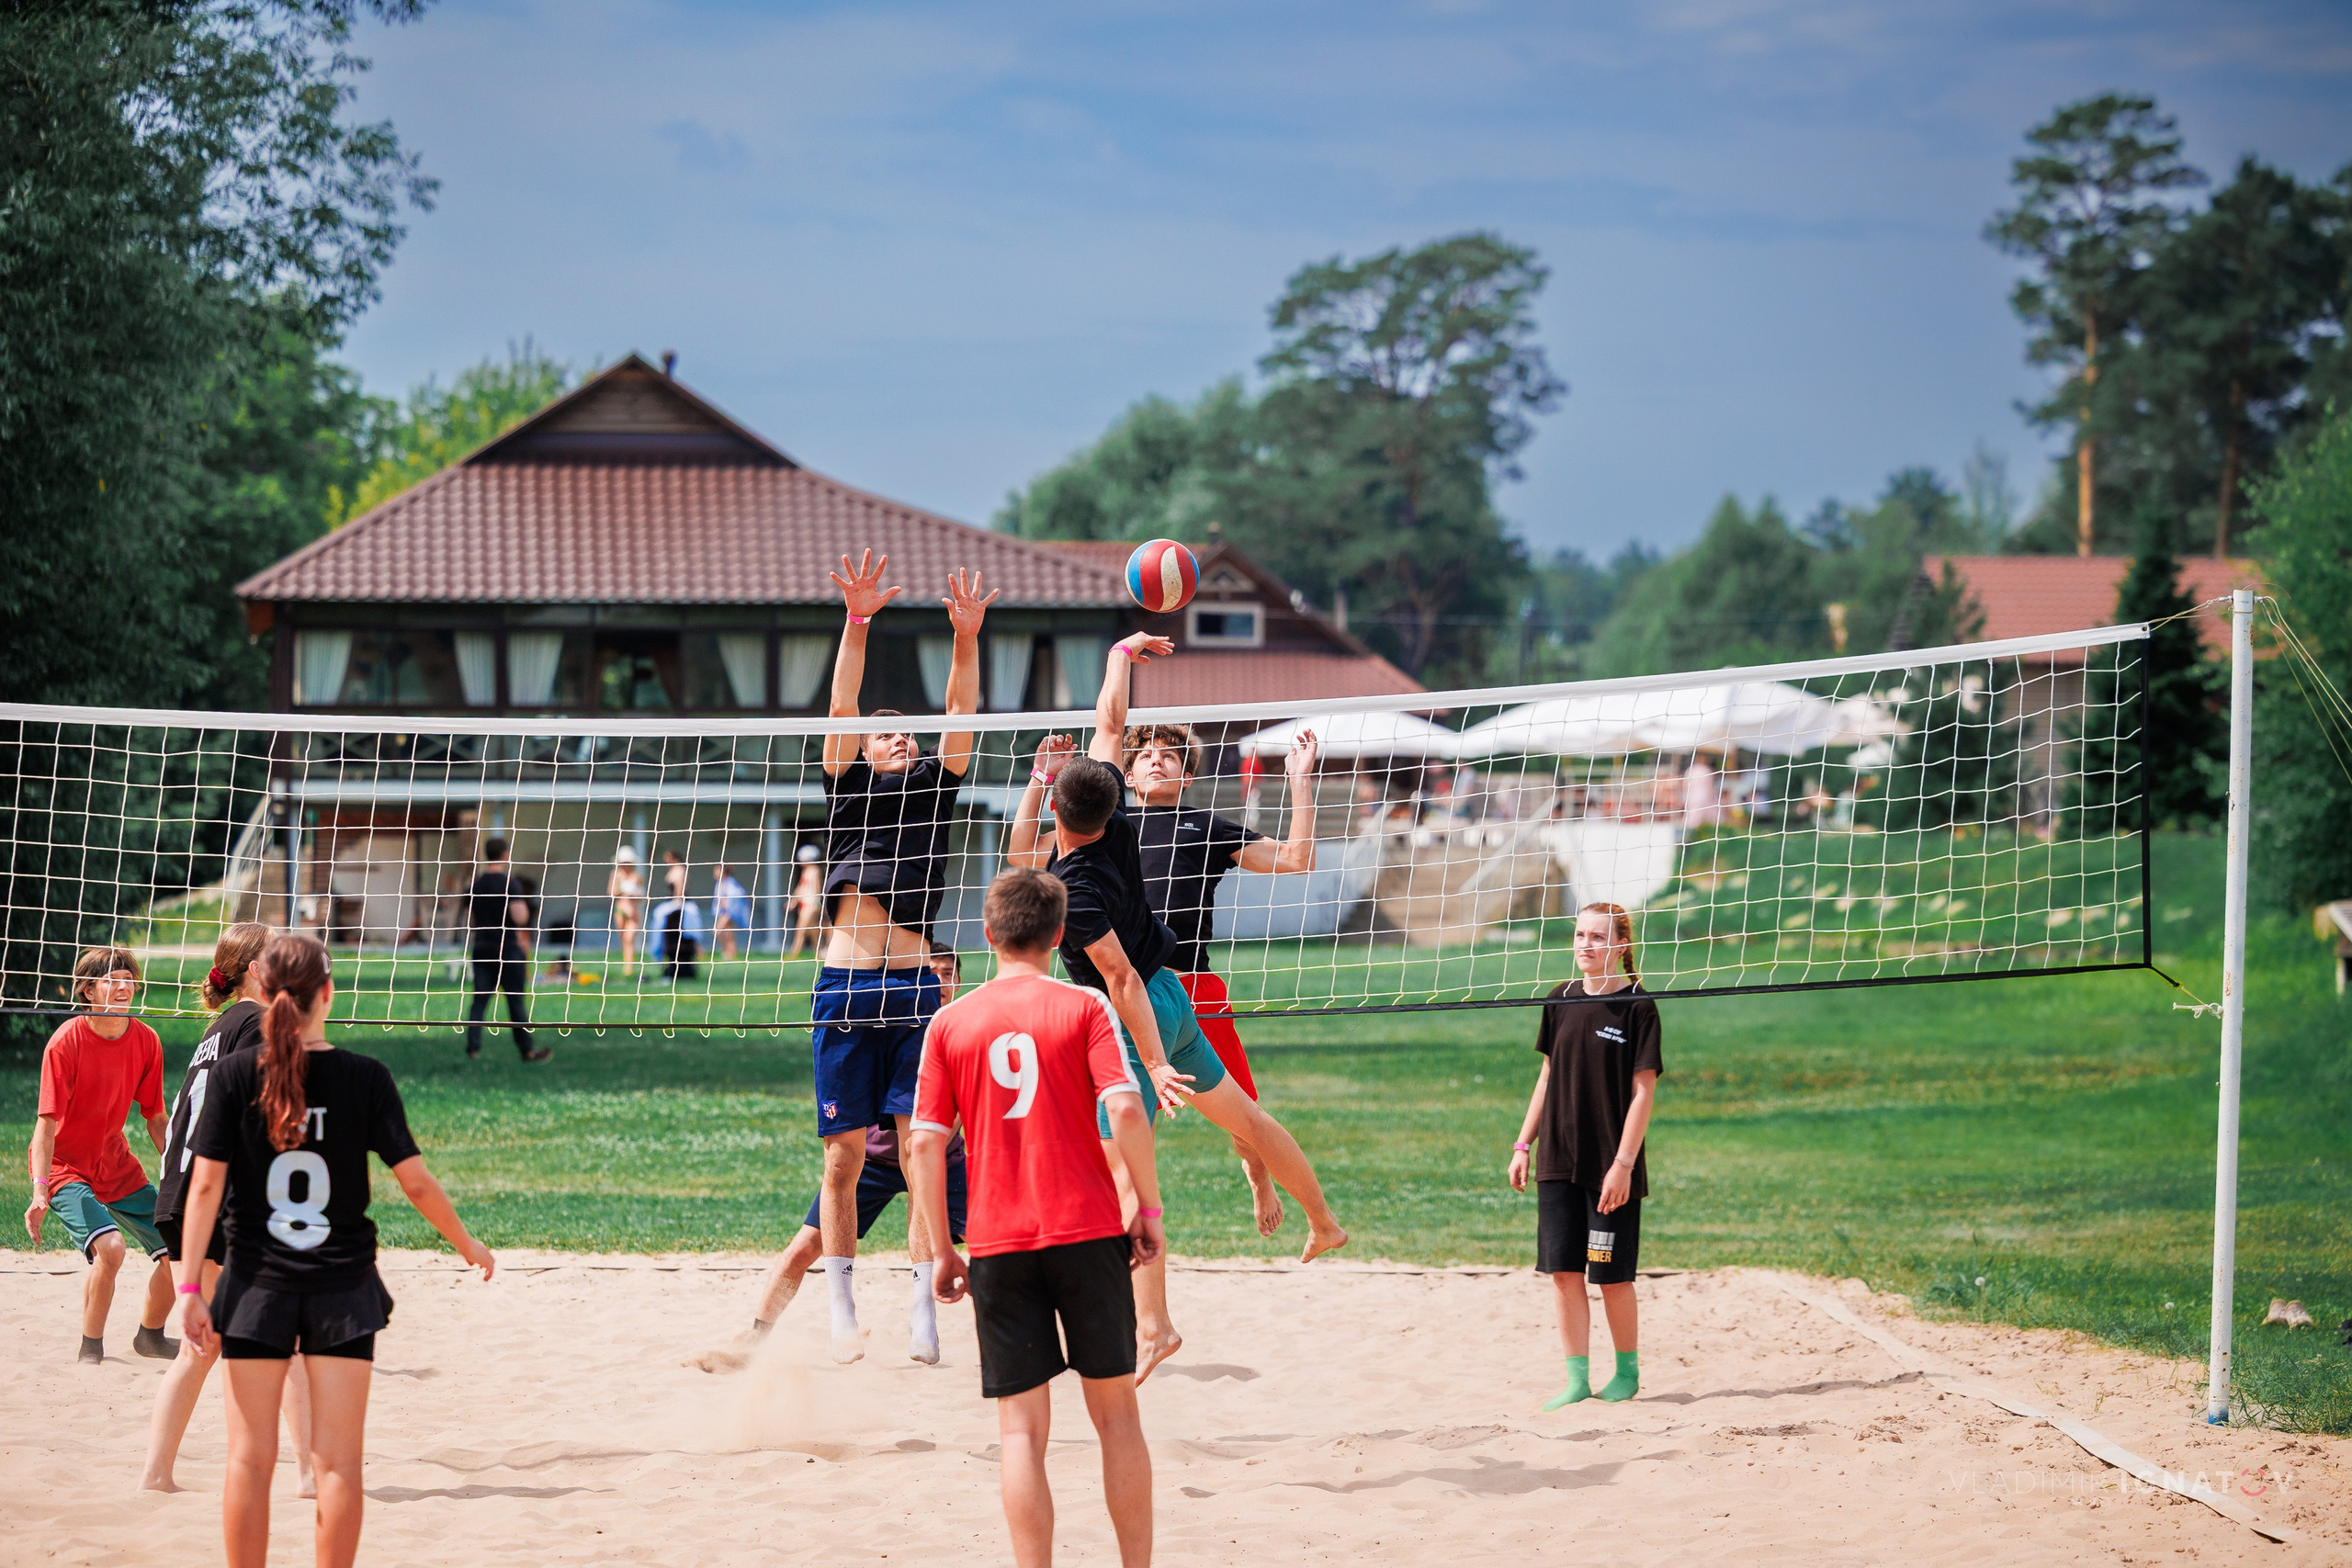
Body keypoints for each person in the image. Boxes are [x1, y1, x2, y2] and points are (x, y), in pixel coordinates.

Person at [1007, 636, 1346, 1385]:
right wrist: (1121, 655)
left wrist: (1153, 1061)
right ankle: (1324, 1220)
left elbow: (1119, 980)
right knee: (1244, 1124)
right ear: (1114, 787)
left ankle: (1155, 1327)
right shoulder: (1119, 824)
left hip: (1135, 1013)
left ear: (1060, 802)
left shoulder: (1078, 881)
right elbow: (1110, 721)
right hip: (1170, 990)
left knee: (1126, 1175)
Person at [175, 931, 494, 1568]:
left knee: (248, 1458)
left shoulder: (237, 1073)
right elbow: (416, 1182)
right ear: (328, 993)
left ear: (261, 994)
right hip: (342, 1289)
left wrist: (189, 1288)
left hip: (255, 1286)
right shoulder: (363, 1077)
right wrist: (467, 1242)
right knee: (339, 1462)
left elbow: (204, 1185)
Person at [906, 866, 1163, 1568]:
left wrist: (941, 1247)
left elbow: (924, 1142)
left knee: (1020, 1432)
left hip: (998, 1237)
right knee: (1116, 1419)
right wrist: (1146, 1204)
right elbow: (1128, 1107)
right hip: (1086, 1229)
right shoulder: (1083, 1006)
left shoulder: (950, 1021)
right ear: (1058, 935)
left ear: (988, 935)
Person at [809, 549, 997, 1361]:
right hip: (847, 983)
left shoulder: (935, 788)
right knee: (845, 1154)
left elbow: (962, 709)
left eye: (903, 731)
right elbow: (842, 699)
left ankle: (924, 1308)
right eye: (884, 731)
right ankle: (843, 1303)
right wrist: (857, 621)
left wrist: (965, 637)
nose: (896, 735)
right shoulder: (847, 786)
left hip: (917, 988)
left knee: (922, 1145)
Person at [1108, 646, 1322, 1236]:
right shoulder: (1108, 827)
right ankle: (1127, 1230)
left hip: (1192, 985)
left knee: (1246, 1116)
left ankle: (1258, 1176)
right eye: (1145, 756)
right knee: (1123, 1123)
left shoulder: (1204, 826)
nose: (1157, 762)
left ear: (1188, 773)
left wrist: (1299, 784)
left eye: (1170, 756)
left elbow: (1297, 859)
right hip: (1122, 988)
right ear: (1126, 774)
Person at [697, 945, 973, 1374]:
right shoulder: (884, 1015)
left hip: (940, 1161)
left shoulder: (957, 1029)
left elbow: (957, 1118)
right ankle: (757, 1335)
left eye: (946, 975)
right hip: (872, 1165)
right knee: (806, 1245)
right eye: (932, 972)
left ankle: (1037, 1334)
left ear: (957, 982)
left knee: (1002, 1241)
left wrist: (927, 1145)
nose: (939, 982)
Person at [143, 924, 313, 1495]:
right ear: (250, 968)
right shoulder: (260, 1025)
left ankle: (156, 1474)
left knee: (203, 1345)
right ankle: (313, 1474)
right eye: (274, 956)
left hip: (178, 1194)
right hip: (214, 1194)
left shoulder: (219, 1028)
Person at [1508, 901, 1662, 1409]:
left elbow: (1643, 1093)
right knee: (1564, 1273)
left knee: (1611, 1275)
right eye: (1579, 935)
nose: (1585, 946)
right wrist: (1523, 1144)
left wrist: (1623, 1165)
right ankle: (1576, 1379)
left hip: (1609, 1166)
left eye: (1597, 937)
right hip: (1558, 1159)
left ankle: (1627, 1373)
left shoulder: (1638, 1007)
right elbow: (1547, 1077)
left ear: (1620, 945)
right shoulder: (1560, 999)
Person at [24, 947, 176, 1365]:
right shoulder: (65, 1041)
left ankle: (151, 1337)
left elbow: (156, 1119)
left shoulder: (146, 1039)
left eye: (128, 977)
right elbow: (46, 1125)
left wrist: (184, 1172)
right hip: (63, 1167)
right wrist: (40, 1191)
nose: (123, 986)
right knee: (110, 1248)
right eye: (111, 979)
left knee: (180, 1247)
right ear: (88, 990)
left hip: (115, 1164)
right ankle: (90, 1349)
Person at [465, 838, 548, 1062]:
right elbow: (519, 916)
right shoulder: (510, 883)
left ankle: (473, 1049)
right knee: (515, 1001)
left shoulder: (477, 884)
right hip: (508, 949)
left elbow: (471, 920)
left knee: (479, 1001)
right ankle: (527, 1050)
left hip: (482, 947)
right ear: (504, 855)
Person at [607, 845, 647, 976]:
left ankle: (629, 969)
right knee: (624, 939)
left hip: (633, 911)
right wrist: (622, 890)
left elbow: (644, 896)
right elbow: (611, 893)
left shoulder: (637, 876)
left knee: (630, 939)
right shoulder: (616, 875)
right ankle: (627, 966)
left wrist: (634, 893)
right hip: (620, 910)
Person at [785, 844, 825, 957]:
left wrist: (817, 903)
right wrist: (793, 900)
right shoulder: (806, 871)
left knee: (801, 929)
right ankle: (820, 953)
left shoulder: (814, 870)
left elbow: (817, 888)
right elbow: (801, 888)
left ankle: (793, 954)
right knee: (813, 931)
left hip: (811, 904)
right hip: (805, 904)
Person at [712, 863, 752, 961]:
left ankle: (727, 951)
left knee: (718, 930)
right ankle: (731, 952)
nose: (715, 872)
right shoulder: (720, 883)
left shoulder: (730, 883)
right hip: (725, 911)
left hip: (730, 911)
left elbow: (733, 899)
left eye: (717, 870)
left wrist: (728, 910)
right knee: (728, 932)